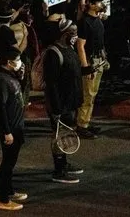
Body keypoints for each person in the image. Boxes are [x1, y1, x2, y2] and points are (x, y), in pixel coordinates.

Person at [43, 16, 84, 183]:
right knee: (58, 135)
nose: (75, 35)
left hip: (71, 101)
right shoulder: (54, 53)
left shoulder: (69, 48)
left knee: (67, 134)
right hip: (60, 103)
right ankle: (58, 170)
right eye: (72, 32)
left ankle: (64, 163)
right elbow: (51, 83)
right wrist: (56, 108)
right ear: (64, 33)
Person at [0, 44, 28, 211]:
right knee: (7, 163)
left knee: (11, 162)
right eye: (16, 60)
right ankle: (3, 199)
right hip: (10, 129)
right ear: (7, 62)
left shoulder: (10, 75)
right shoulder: (0, 80)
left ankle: (9, 190)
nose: (19, 62)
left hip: (16, 126)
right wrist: (6, 132)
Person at [75, 0, 109, 139]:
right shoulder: (85, 22)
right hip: (90, 61)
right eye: (99, 2)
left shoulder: (97, 20)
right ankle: (82, 126)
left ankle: (86, 122)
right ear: (92, 4)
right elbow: (80, 45)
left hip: (98, 60)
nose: (102, 5)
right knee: (87, 95)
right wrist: (85, 67)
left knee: (93, 94)